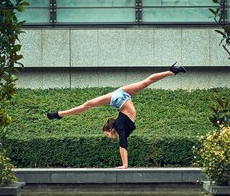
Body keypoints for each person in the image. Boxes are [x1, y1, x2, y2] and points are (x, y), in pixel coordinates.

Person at [46, 63, 187, 168]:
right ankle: (172, 71)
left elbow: (122, 144)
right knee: (146, 82)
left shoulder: (119, 126)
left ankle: (59, 114)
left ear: (110, 129)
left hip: (118, 98)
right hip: (121, 96)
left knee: (87, 104)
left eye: (107, 134)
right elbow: (123, 141)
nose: (109, 137)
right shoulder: (121, 123)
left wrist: (124, 165)